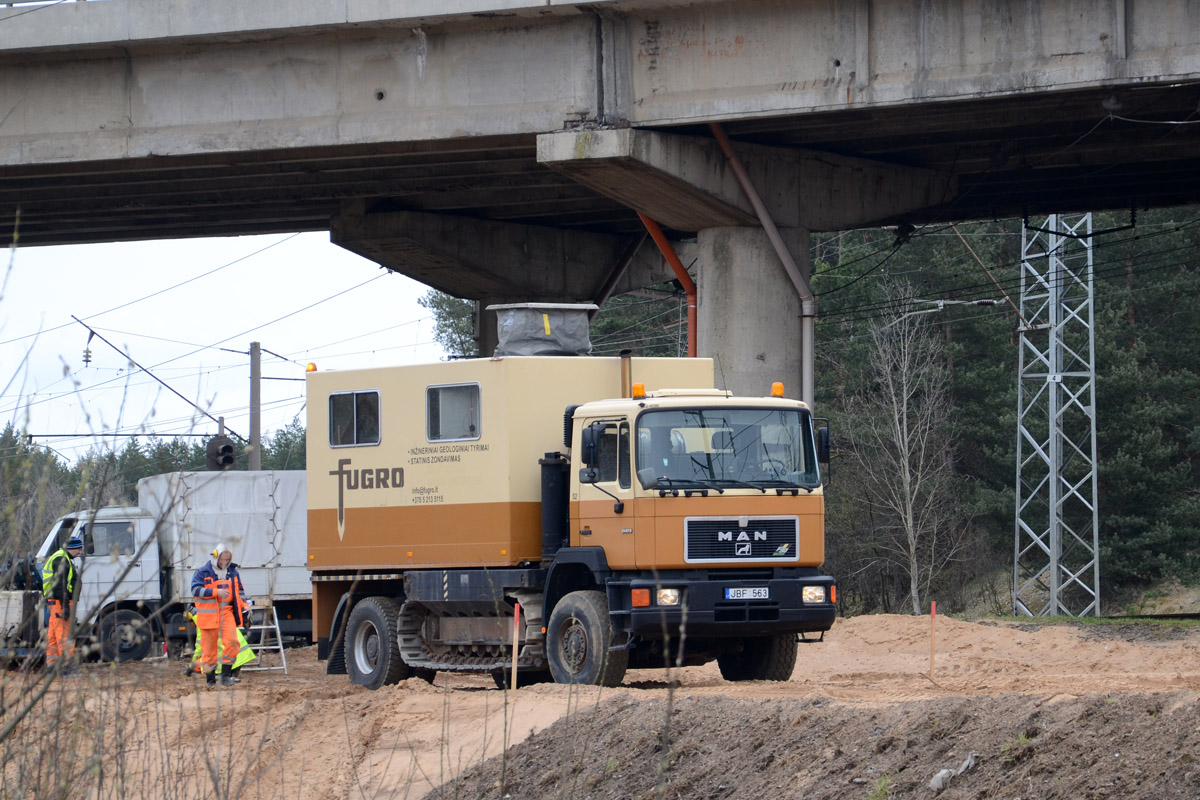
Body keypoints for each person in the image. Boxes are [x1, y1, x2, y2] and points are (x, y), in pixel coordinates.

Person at [191, 544, 250, 688]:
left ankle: (225, 676)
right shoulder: (203, 572)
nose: (225, 562)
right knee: (208, 648)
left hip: (227, 612)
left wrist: (245, 605)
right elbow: (195, 590)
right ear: (216, 557)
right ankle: (210, 680)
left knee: (232, 643)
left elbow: (239, 593)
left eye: (228, 560)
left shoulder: (233, 573)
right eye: (223, 559)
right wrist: (215, 592)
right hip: (208, 615)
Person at [41, 535, 84, 670]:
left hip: (55, 602)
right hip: (61, 603)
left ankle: (52, 665)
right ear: (72, 548)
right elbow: (61, 586)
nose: (80, 552)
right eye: (79, 549)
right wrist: (65, 606)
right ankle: (67, 667)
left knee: (53, 635)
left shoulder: (60, 557)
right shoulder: (63, 560)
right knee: (65, 635)